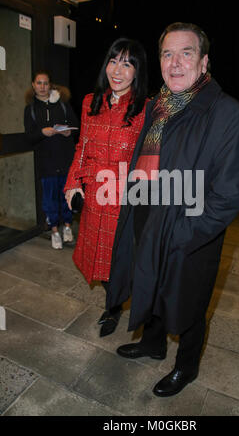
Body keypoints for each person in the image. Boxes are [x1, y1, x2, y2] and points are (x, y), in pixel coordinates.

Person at [106, 22, 239, 397]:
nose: (175, 63)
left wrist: (183, 233)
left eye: (186, 53)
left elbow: (229, 195)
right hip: (148, 214)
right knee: (151, 285)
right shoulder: (158, 105)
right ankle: (153, 344)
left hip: (189, 231)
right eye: (167, 54)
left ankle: (186, 366)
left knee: (188, 302)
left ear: (204, 62)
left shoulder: (227, 114)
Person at [64, 38, 148, 337]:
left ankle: (116, 308)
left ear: (137, 71)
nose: (118, 70)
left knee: (120, 262)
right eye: (114, 61)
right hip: (93, 197)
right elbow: (82, 147)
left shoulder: (146, 109)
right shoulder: (91, 101)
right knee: (97, 261)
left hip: (124, 202)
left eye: (127, 63)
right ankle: (112, 306)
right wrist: (73, 181)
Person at [24, 71, 79, 249]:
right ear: (33, 85)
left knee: (67, 196)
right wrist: (41, 132)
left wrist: (69, 131)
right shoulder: (30, 109)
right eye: (39, 83)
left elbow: (76, 126)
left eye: (45, 83)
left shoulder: (63, 105)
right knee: (49, 200)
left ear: (50, 85)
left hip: (65, 159)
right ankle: (55, 231)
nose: (42, 87)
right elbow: (29, 137)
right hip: (46, 161)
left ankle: (68, 227)